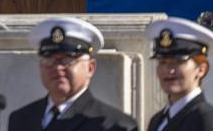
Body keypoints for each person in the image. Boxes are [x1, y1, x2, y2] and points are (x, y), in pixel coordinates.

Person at [8, 17, 137, 131]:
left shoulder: (115, 124)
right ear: (40, 66)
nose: (58, 67)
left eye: (67, 59)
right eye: (49, 59)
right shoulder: (20, 119)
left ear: (90, 68)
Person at [146, 17, 213, 130]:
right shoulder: (157, 121)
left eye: (179, 62)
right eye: (162, 62)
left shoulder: (206, 118)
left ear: (201, 69)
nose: (169, 70)